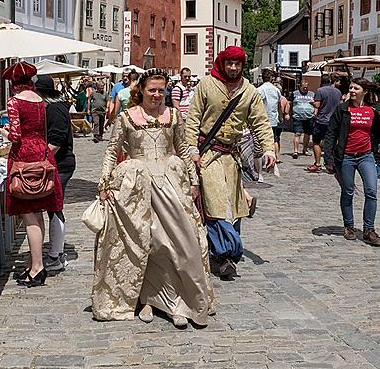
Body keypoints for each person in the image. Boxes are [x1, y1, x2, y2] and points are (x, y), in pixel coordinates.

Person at [93, 68, 213, 328]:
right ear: (141, 90)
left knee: (180, 244)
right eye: (152, 90)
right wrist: (104, 185)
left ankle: (177, 302)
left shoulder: (173, 115)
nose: (157, 95)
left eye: (161, 90)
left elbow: (182, 147)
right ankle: (148, 299)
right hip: (136, 187)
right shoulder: (126, 117)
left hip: (170, 185)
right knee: (147, 243)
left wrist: (193, 180)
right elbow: (112, 151)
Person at [185, 47, 276, 281]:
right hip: (209, 154)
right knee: (215, 204)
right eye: (229, 64)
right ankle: (226, 253)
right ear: (222, 63)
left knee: (233, 209)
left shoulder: (249, 91)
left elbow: (260, 122)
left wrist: (268, 148)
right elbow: (193, 118)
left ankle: (223, 253)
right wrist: (192, 150)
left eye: (237, 64)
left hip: (233, 156)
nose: (233, 68)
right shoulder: (206, 85)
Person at [0, 62, 64, 287]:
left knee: (28, 214)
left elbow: (16, 136)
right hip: (42, 152)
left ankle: (37, 268)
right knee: (37, 212)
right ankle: (33, 263)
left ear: (13, 83)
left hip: (25, 155)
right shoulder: (39, 100)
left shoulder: (15, 101)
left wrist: (4, 131)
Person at [324, 78, 380, 247]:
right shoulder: (342, 110)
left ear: (364, 91)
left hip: (366, 156)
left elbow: (379, 133)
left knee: (371, 191)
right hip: (346, 157)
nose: (352, 91)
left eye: (356, 88)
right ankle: (349, 226)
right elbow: (331, 134)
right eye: (351, 88)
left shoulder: (371, 111)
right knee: (348, 191)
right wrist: (329, 159)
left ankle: (369, 229)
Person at [34, 75, 75, 273]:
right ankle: (56, 252)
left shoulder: (55, 109)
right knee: (53, 207)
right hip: (57, 163)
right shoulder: (53, 107)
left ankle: (56, 255)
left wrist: (40, 159)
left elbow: (57, 140)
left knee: (54, 206)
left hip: (61, 164)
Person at [308, 74, 342, 173]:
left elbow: (317, 105)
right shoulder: (338, 91)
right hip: (334, 121)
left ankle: (318, 163)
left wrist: (311, 103)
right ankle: (331, 163)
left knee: (316, 142)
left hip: (321, 120)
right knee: (330, 143)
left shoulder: (320, 91)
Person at [257, 69, 281, 163]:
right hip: (273, 118)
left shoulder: (259, 90)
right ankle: (277, 157)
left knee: (261, 139)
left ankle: (263, 158)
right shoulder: (276, 90)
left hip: (262, 119)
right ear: (271, 78)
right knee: (274, 139)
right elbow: (279, 105)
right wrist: (280, 116)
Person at [291, 82, 316, 159]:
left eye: (306, 87)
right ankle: (295, 151)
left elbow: (316, 104)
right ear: (300, 86)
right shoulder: (294, 93)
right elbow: (289, 102)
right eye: (303, 87)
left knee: (307, 134)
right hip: (298, 117)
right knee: (297, 133)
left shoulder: (312, 94)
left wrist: (315, 112)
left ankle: (305, 150)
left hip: (309, 117)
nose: (305, 88)